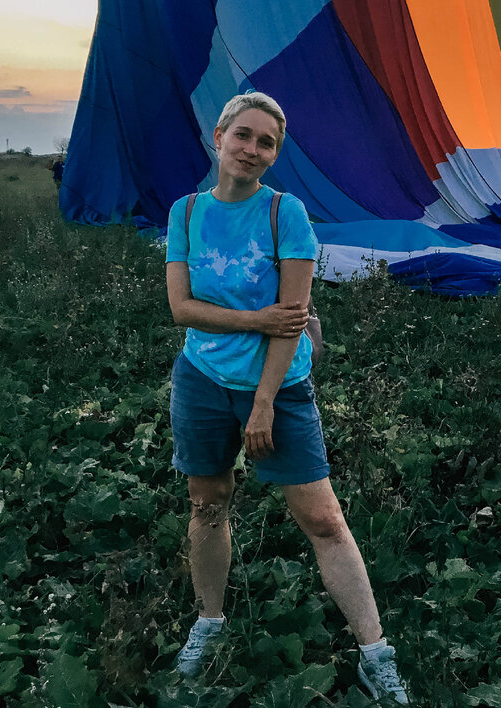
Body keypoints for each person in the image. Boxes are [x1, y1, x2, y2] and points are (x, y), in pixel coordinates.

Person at [164, 92, 408, 703]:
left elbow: (292, 320)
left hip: (281, 388)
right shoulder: (186, 212)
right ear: (218, 136)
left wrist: (265, 402)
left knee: (323, 518)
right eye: (242, 135)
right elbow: (180, 308)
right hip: (201, 378)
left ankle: (376, 653)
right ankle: (209, 622)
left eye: (265, 142)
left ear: (275, 154)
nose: (251, 150)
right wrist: (256, 319)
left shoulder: (285, 213)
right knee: (208, 504)